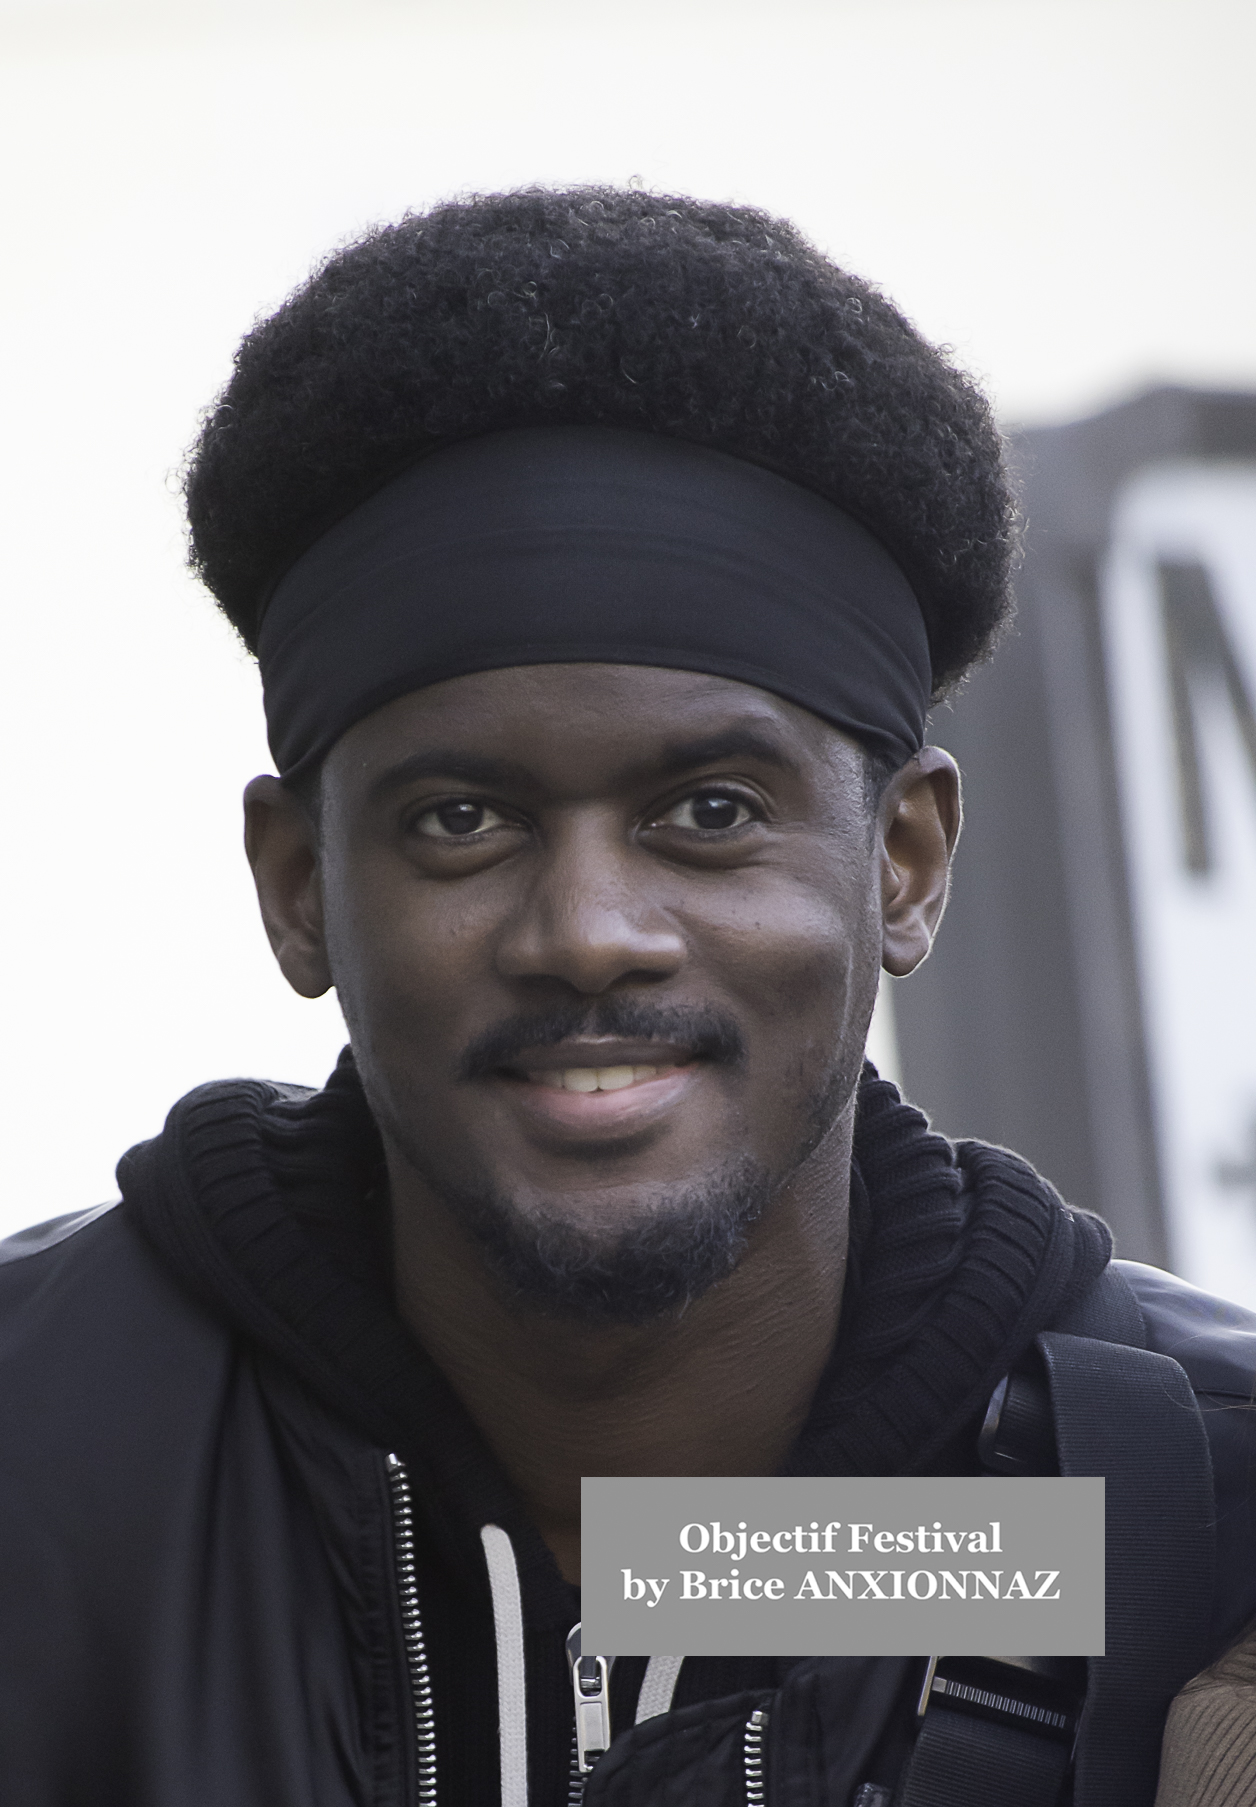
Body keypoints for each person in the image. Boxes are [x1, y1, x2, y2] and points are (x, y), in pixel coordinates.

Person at [0, 186, 1252, 1807]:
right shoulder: (38, 1458)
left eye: (711, 811)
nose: (589, 932)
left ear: (906, 865)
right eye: (462, 820)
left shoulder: (1199, 1521)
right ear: (299, 887)